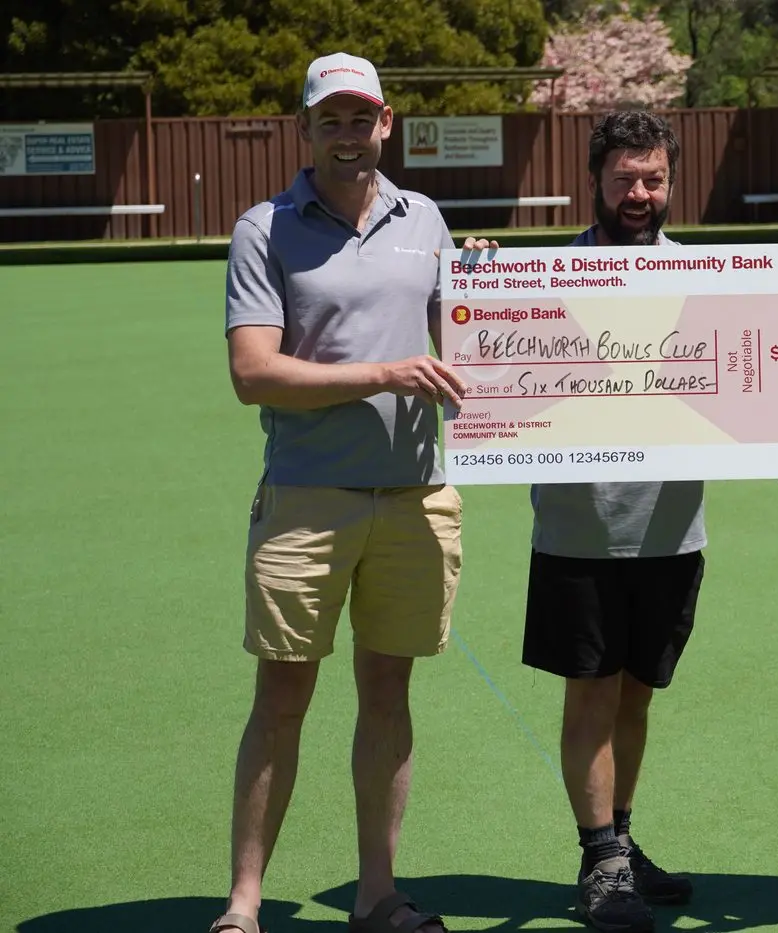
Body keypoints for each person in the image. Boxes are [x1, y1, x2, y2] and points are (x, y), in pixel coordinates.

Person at [208, 53, 465, 933]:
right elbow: (253, 372)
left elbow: (457, 343)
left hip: (415, 495)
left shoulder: (425, 219)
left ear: (386, 123)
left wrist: (489, 291)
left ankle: (375, 895)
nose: (348, 136)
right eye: (331, 120)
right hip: (307, 498)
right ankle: (244, 904)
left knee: (388, 695)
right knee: (281, 701)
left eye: (362, 118)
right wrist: (384, 373)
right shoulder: (265, 228)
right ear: (305, 129)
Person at [463, 110, 700, 933]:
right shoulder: (542, 278)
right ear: (594, 180)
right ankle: (599, 859)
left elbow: (754, 392)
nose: (639, 193)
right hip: (579, 530)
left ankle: (620, 845)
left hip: (672, 530)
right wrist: (476, 280)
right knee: (591, 695)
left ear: (670, 183)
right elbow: (482, 357)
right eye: (624, 178)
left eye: (653, 179)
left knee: (636, 696)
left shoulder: (708, 279)